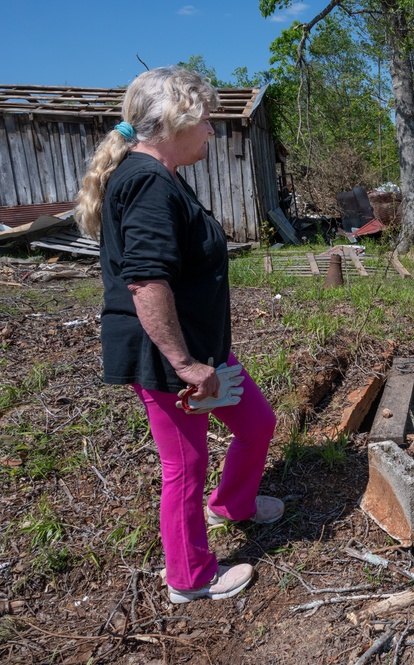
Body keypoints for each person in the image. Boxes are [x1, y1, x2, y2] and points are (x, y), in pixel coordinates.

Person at [75, 66, 283, 603]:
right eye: (207, 120)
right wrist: (186, 366)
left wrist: (202, 355)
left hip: (201, 346)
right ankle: (189, 576)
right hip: (170, 357)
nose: (212, 131)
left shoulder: (159, 174)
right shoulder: (145, 182)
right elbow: (145, 282)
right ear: (175, 121)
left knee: (257, 423)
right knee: (186, 465)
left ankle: (232, 505)